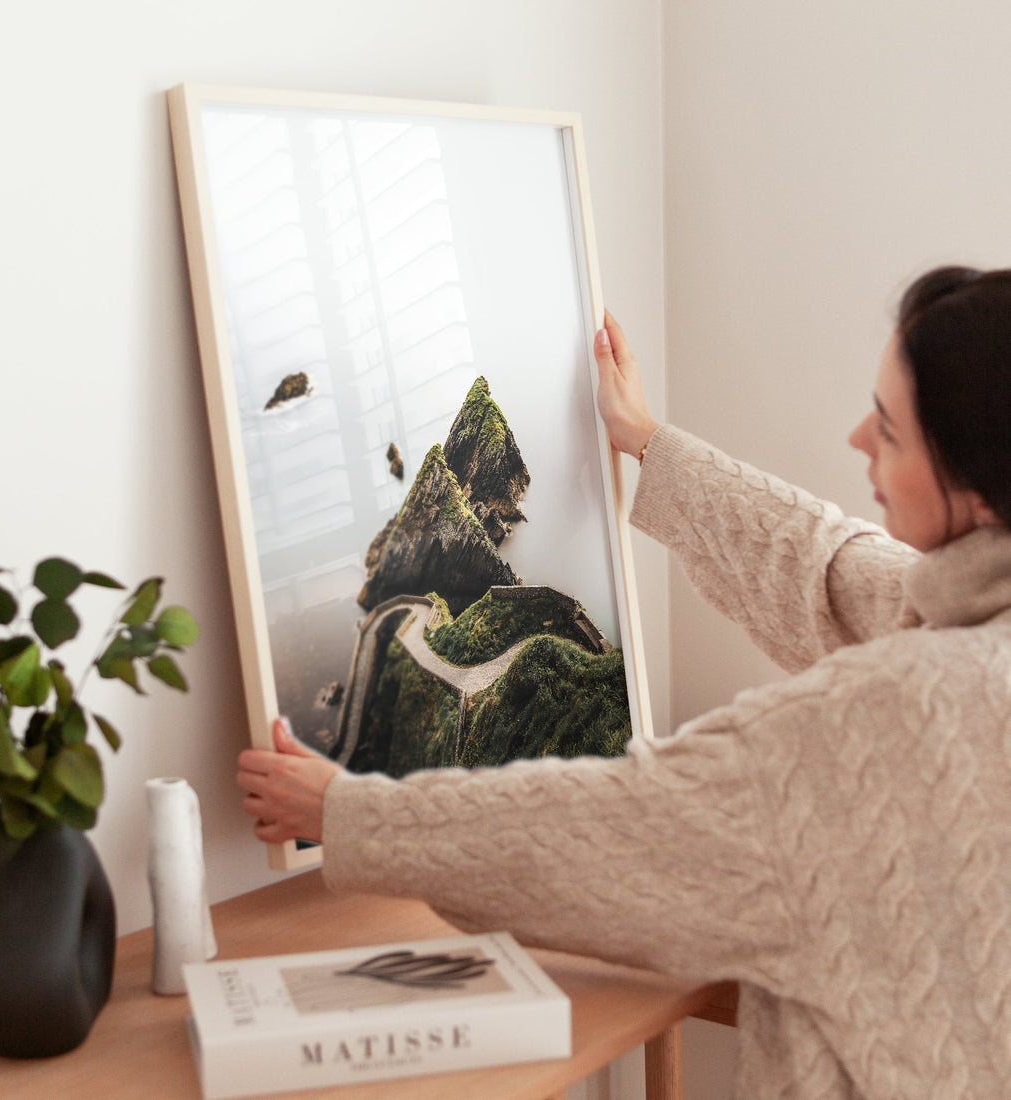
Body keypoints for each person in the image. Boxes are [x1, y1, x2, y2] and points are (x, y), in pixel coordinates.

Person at [237, 266, 1011, 1099]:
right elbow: (828, 569)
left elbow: (617, 828)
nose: (859, 437)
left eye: (891, 432)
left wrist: (346, 811)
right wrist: (646, 440)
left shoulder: (891, 717)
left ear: (975, 488)